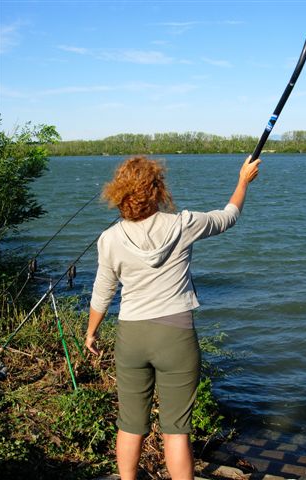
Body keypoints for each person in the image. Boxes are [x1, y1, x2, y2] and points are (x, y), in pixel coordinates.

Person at [85, 154, 261, 480]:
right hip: (175, 337)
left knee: (130, 424)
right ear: (157, 189)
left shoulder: (109, 239)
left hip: (131, 337)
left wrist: (91, 333)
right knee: (177, 430)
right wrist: (242, 180)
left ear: (120, 191)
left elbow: (103, 292)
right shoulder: (184, 224)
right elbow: (228, 216)